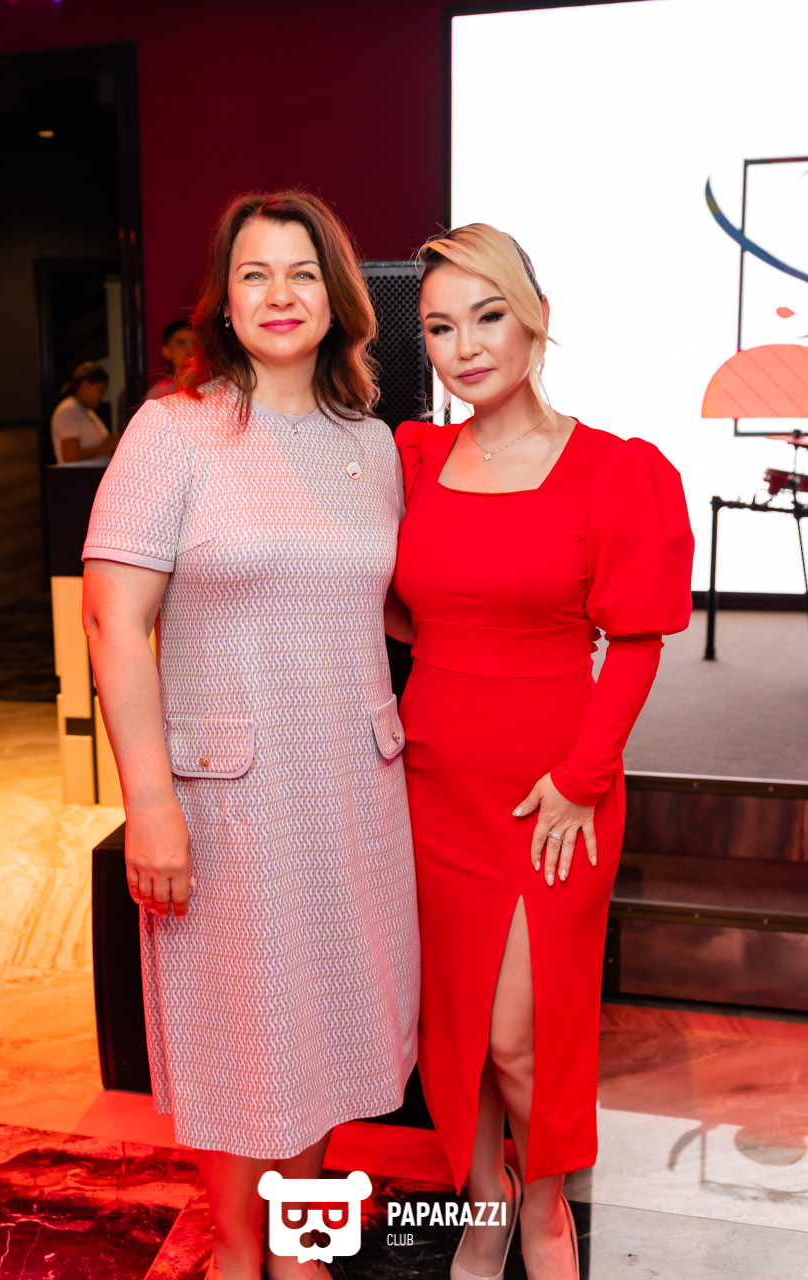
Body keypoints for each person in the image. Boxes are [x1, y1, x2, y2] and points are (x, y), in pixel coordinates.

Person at [81, 191, 419, 1280]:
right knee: (241, 1033)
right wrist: (149, 804)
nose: (280, 294)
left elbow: (395, 606)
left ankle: (299, 1248)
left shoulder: (370, 444)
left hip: (352, 787)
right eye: (255, 274)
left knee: (327, 1022)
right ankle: (238, 1249)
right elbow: (113, 621)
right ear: (223, 303)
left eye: (302, 273)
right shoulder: (173, 429)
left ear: (337, 298)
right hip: (225, 797)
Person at [387, 224, 694, 1280]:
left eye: (488, 316)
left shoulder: (613, 469)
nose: (465, 346)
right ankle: (486, 1199)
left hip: (548, 794)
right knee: (456, 1021)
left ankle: (548, 1204)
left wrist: (579, 778)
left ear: (536, 320)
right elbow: (384, 600)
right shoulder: (415, 461)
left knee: (520, 1033)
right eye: (439, 327)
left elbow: (639, 640)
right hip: (429, 781)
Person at [51, 362, 118, 464]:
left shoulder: (86, 410)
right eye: (100, 391)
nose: (101, 397)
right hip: (78, 473)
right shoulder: (68, 410)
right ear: (85, 385)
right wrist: (107, 446)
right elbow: (70, 456)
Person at [146, 318, 196, 399]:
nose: (190, 350)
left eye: (194, 343)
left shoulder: (212, 389)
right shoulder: (158, 395)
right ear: (166, 351)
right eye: (181, 344)